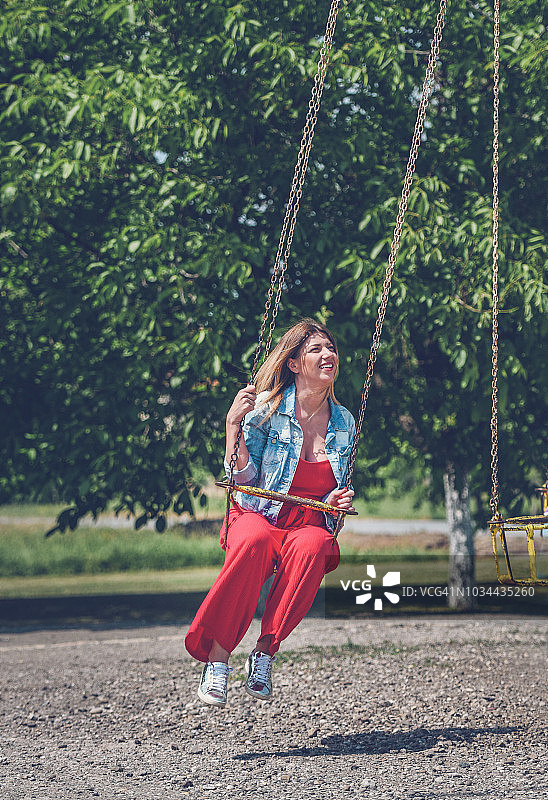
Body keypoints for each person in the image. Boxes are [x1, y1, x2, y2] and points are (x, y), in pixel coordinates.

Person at [185, 319, 356, 707]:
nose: (328, 355)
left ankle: (264, 653)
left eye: (330, 348)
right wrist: (232, 425)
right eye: (316, 349)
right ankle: (217, 659)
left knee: (315, 546)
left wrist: (335, 501)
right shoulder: (266, 409)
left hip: (306, 522)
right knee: (255, 540)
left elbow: (333, 486)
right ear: (293, 363)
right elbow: (244, 480)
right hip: (258, 513)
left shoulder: (344, 421)